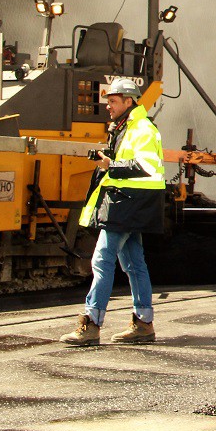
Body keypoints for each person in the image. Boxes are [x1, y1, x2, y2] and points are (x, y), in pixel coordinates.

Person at [61, 77, 165, 346]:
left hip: (128, 203)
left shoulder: (142, 128)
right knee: (133, 264)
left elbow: (147, 166)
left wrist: (111, 165)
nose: (108, 106)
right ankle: (143, 323)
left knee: (102, 261)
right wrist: (106, 156)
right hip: (128, 203)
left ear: (128, 102)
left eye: (113, 101)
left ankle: (91, 324)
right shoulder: (125, 127)